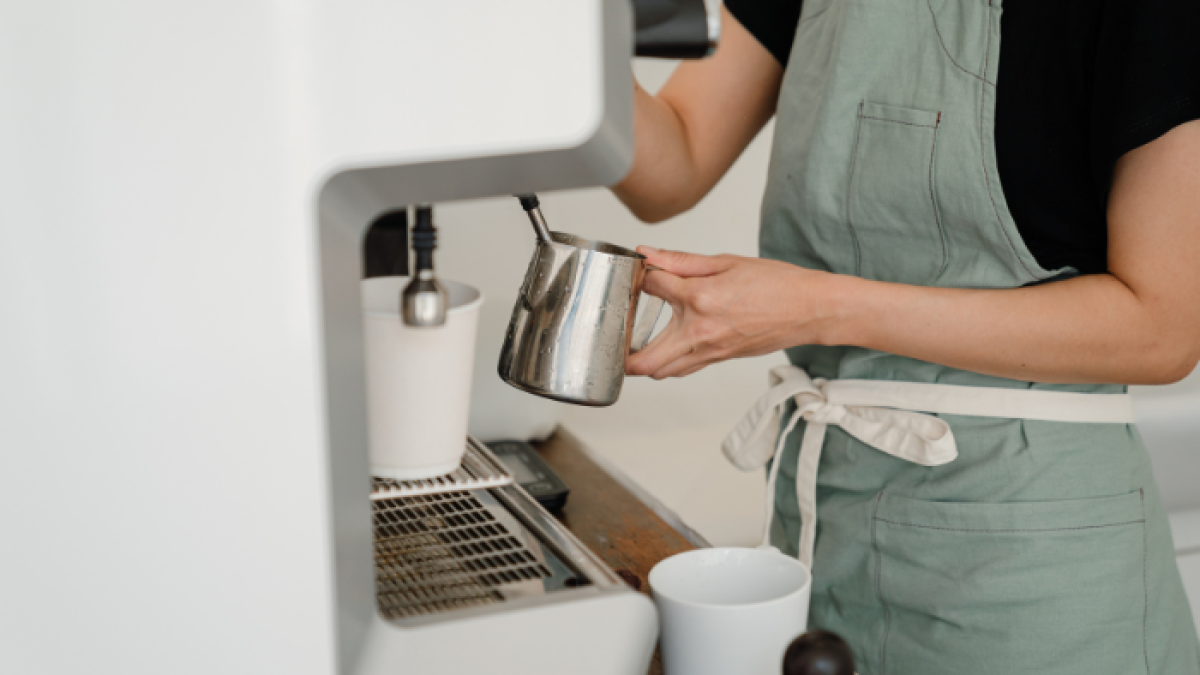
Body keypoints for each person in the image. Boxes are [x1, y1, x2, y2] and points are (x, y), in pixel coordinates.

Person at [615, 1, 1200, 673]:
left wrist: (819, 308)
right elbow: (677, 152)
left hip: (1028, 565)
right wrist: (572, 36)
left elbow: (1163, 328)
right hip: (827, 531)